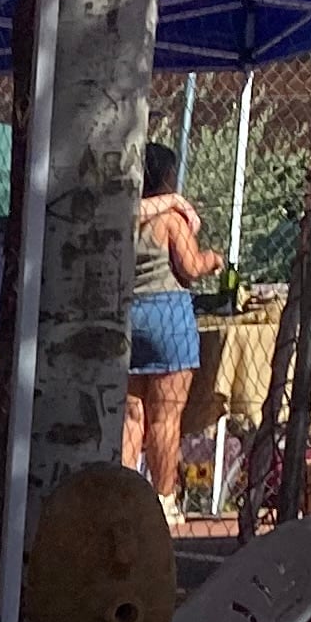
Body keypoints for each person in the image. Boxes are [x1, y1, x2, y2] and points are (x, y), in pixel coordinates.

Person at [123, 144, 224, 502]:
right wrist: (214, 259)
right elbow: (190, 268)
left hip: (130, 317)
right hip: (168, 317)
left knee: (132, 414)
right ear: (167, 176)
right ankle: (163, 500)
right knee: (165, 417)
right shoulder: (171, 220)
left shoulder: (122, 218)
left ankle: (125, 495)